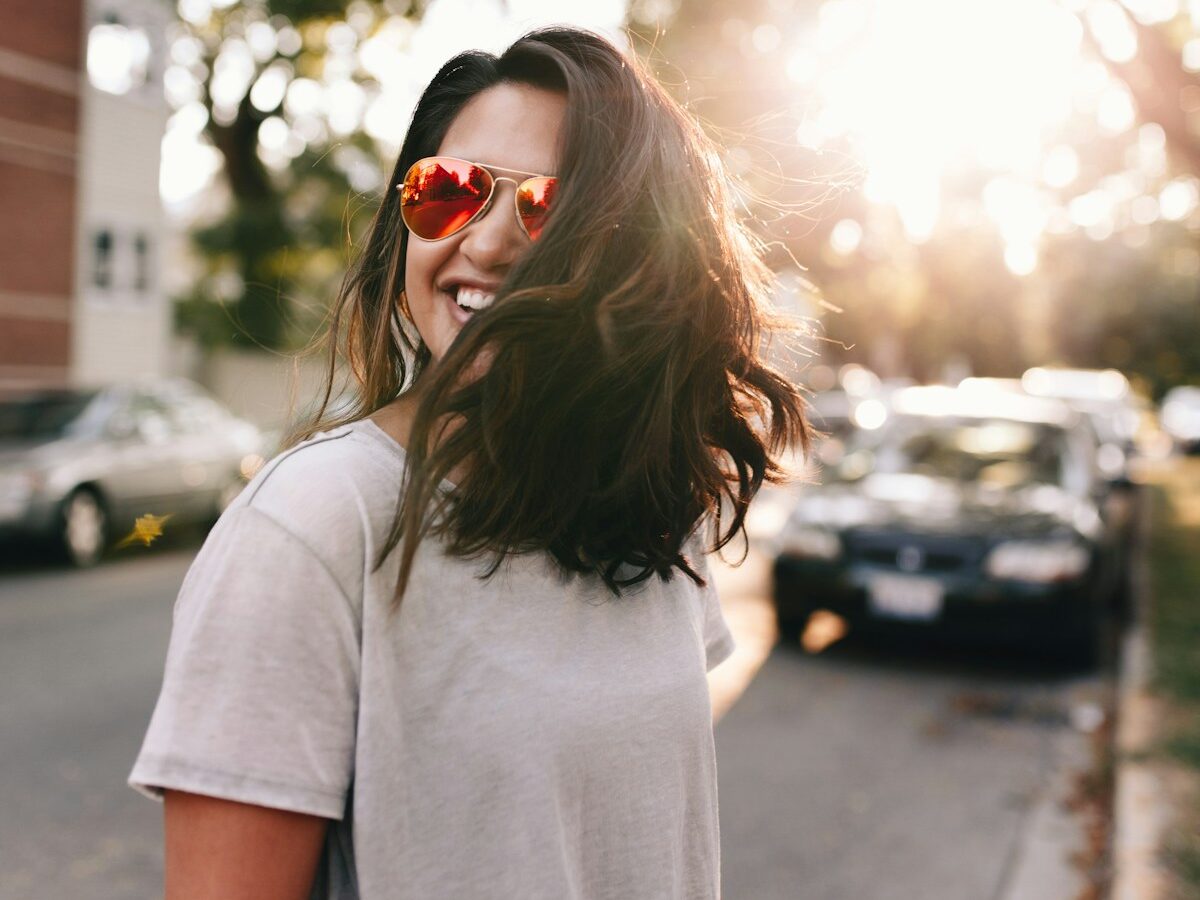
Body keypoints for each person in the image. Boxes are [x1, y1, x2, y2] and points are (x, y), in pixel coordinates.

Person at [129, 25, 809, 900]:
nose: (485, 246)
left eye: (549, 208)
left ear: (642, 254)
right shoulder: (312, 526)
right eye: (449, 192)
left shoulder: (650, 509)